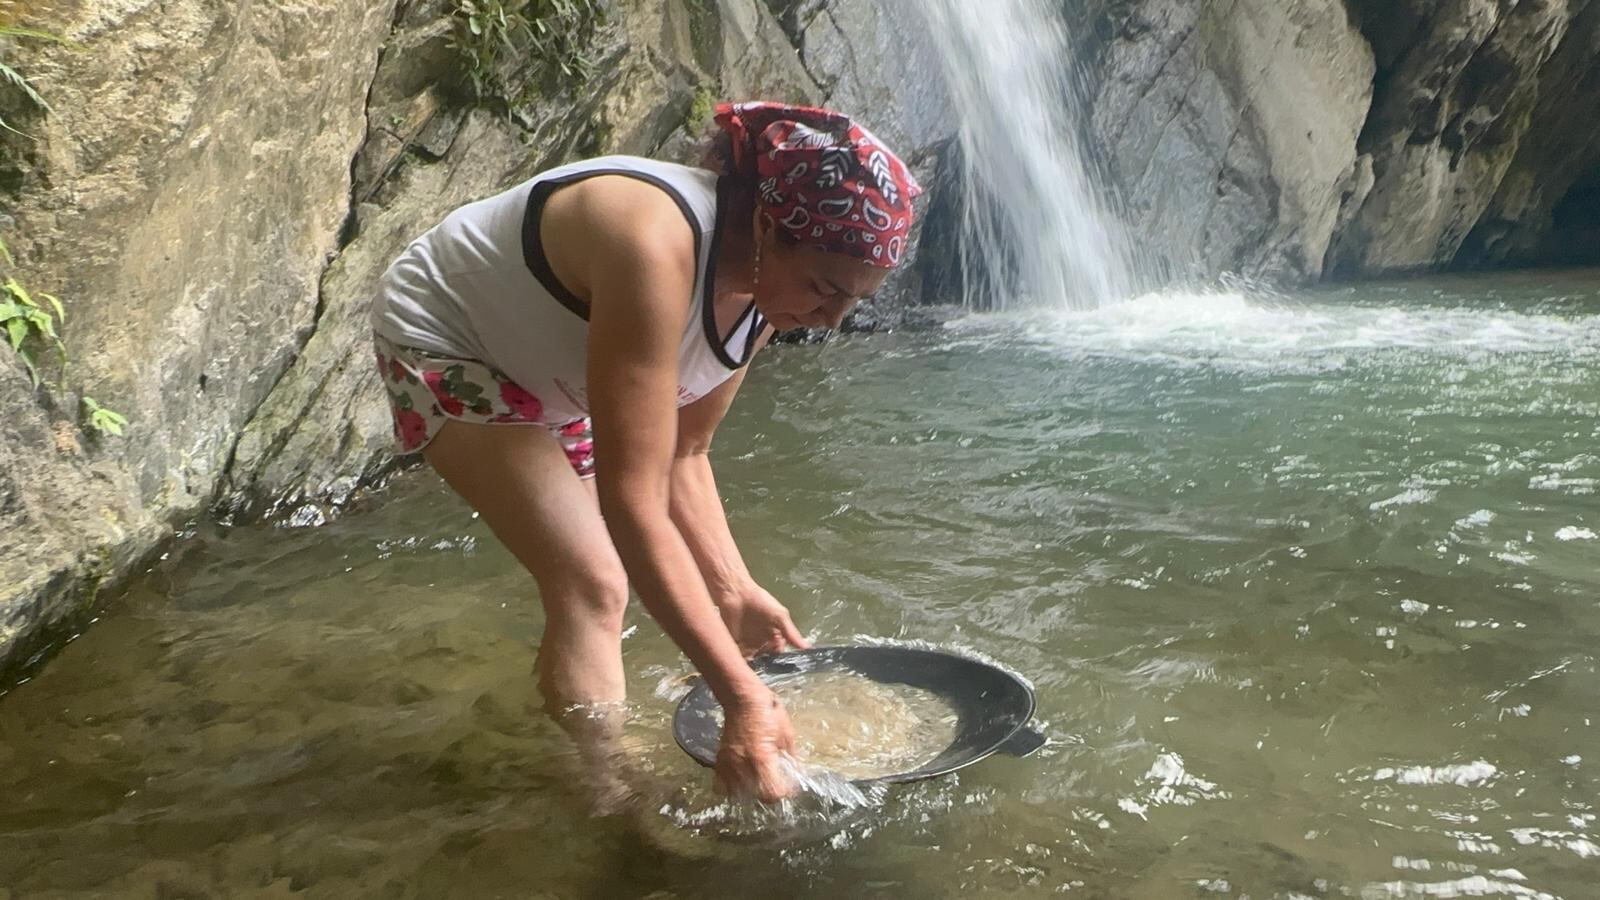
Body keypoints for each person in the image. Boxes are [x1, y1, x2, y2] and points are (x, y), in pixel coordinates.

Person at [369, 101, 922, 801]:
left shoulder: (770, 291)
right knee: (593, 582)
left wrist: (734, 589)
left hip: (560, 366)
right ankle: (610, 804)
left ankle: (601, 779)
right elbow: (635, 503)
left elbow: (685, 454)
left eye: (855, 301)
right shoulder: (652, 244)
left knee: (610, 580)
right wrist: (743, 697)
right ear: (764, 225)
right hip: (451, 336)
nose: (833, 320)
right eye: (824, 289)